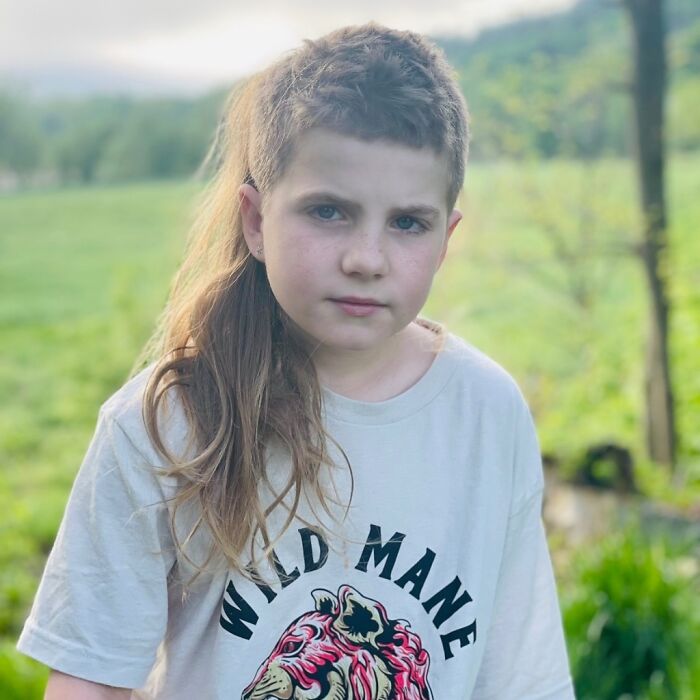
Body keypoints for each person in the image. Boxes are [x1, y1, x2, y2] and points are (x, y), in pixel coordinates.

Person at [16, 22, 576, 700]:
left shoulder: (486, 413)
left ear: (445, 237)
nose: (366, 259)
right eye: (329, 211)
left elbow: (521, 677)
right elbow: (89, 681)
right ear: (256, 220)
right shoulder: (164, 426)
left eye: (407, 222)